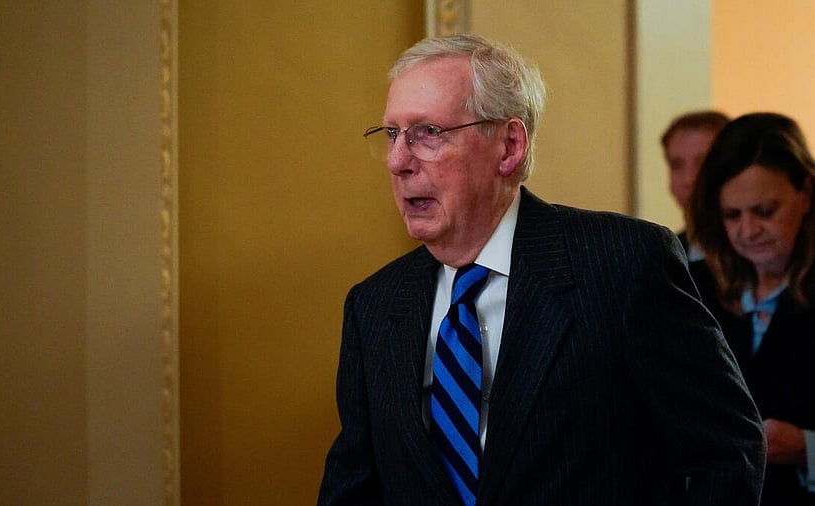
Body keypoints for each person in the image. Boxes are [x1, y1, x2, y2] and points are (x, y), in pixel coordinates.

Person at [318, 34, 765, 505]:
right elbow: (353, 488)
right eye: (392, 134)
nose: (397, 162)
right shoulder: (373, 305)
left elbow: (728, 453)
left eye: (428, 132)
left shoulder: (624, 264)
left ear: (509, 146)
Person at [687, 112, 815, 505]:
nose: (748, 231)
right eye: (732, 215)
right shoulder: (692, 285)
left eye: (765, 211)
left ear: (807, 192)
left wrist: (806, 448)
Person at [660, 110, 730, 260]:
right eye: (676, 165)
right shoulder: (663, 257)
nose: (689, 179)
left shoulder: (761, 253)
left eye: (703, 163)